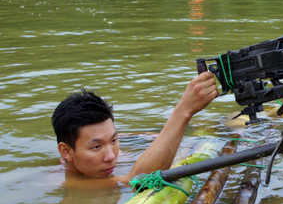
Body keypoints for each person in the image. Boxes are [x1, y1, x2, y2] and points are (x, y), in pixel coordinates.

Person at [52, 72, 218, 184]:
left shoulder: (115, 155)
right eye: (96, 147)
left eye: (113, 140)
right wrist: (184, 110)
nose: (111, 157)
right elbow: (136, 180)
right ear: (66, 151)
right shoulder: (63, 182)